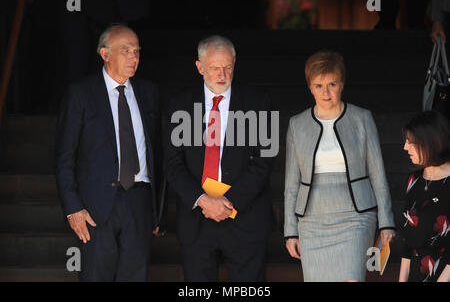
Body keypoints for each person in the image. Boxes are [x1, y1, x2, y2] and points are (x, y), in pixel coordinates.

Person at [164, 35, 274, 281]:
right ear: (200, 67)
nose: (222, 74)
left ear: (235, 63)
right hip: (197, 220)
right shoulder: (179, 104)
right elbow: (173, 163)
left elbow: (264, 160)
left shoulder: (259, 101)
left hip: (246, 217)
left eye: (227, 67)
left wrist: (228, 202)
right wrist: (203, 200)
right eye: (214, 68)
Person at [55, 25, 160, 281]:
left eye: (136, 51)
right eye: (126, 51)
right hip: (95, 207)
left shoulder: (149, 93)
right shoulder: (81, 93)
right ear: (104, 53)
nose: (133, 57)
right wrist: (73, 208)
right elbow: (64, 155)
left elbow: (158, 153)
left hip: (139, 203)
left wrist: (157, 211)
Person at [284, 50, 396, 282]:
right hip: (312, 220)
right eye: (318, 85)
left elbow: (377, 174)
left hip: (356, 217)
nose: (325, 92)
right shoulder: (297, 124)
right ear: (309, 87)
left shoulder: (362, 118)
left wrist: (386, 222)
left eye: (332, 84)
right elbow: (291, 184)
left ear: (342, 84)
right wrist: (290, 230)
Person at [399, 110, 450, 282]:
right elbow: (409, 239)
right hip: (416, 272)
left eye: (411, 142)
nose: (405, 147)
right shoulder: (413, 180)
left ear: (431, 142)